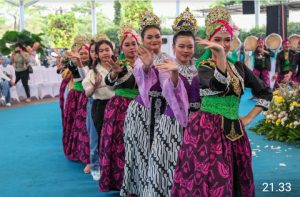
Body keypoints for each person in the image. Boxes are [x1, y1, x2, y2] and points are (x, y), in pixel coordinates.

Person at [170, 7, 273, 197]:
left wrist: (249, 117)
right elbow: (218, 84)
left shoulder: (240, 67)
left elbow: (266, 92)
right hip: (206, 132)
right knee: (212, 179)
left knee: (235, 179)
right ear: (209, 40)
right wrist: (220, 57)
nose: (223, 44)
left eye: (227, 40)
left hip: (235, 131)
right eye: (217, 40)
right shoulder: (202, 67)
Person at [143, 7, 200, 197]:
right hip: (172, 125)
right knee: (171, 166)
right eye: (181, 46)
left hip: (199, 125)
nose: (185, 50)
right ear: (174, 46)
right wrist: (175, 73)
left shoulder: (201, 68)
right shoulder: (165, 65)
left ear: (195, 48)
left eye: (189, 46)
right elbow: (169, 91)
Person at [121, 9, 169, 196]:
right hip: (142, 113)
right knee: (141, 153)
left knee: (159, 153)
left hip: (164, 113)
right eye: (149, 37)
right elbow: (142, 80)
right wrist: (148, 64)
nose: (154, 40)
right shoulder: (140, 61)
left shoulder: (168, 58)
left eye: (157, 36)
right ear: (143, 40)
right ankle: (141, 190)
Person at [98, 24, 139, 191]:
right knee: (120, 145)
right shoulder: (120, 64)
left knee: (138, 146)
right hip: (120, 110)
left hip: (142, 109)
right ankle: (121, 183)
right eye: (127, 45)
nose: (131, 48)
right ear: (122, 47)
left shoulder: (146, 62)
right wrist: (114, 73)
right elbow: (109, 80)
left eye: (134, 43)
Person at [82, 37, 115, 181]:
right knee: (98, 139)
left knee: (114, 140)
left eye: (107, 49)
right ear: (96, 54)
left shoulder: (119, 67)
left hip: (116, 106)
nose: (104, 53)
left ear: (112, 51)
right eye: (100, 51)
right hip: (100, 106)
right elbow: (87, 93)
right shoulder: (93, 72)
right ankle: (96, 167)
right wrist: (95, 86)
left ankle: (112, 168)